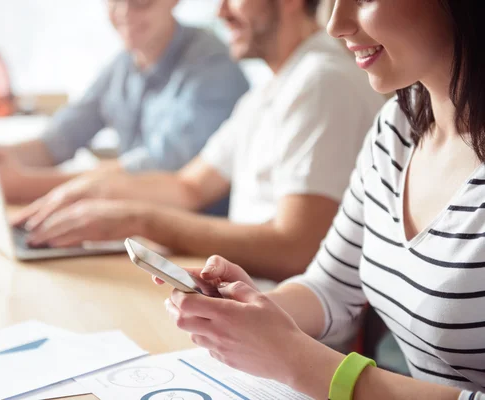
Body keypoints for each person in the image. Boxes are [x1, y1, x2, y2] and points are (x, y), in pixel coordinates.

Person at [155, 0, 485, 398]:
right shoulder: (398, 125)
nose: (335, 25)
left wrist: (300, 363)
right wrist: (248, 311)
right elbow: (331, 286)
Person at [13, 0, 384, 282]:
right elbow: (188, 185)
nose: (220, 12)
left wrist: (140, 220)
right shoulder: (274, 88)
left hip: (287, 324)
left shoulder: (322, 81)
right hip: (245, 301)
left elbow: (297, 248)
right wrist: (93, 193)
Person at [0, 0, 249, 204]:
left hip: (198, 243)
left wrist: (25, 185)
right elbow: (59, 139)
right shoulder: (123, 65)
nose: (124, 12)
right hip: (135, 228)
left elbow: (162, 169)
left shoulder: (213, 66)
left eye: (141, 2)